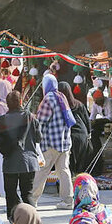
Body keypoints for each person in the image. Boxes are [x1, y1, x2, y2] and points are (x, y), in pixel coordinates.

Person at [0, 91, 43, 223]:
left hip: (10, 161)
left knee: (11, 193)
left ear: (7, 104)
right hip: (29, 161)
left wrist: (5, 150)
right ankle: (32, 220)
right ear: (20, 102)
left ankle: (13, 220)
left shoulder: (1, 121)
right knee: (27, 193)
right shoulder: (30, 117)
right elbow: (38, 138)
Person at [28, 73, 76, 209]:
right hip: (65, 142)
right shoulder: (62, 96)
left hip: (50, 143)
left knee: (41, 172)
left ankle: (31, 200)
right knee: (64, 171)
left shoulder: (48, 98)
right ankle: (68, 201)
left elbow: (41, 122)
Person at [63, 82, 93, 175]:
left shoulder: (59, 105)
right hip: (82, 135)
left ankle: (72, 182)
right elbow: (86, 120)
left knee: (70, 164)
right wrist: (89, 133)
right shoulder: (78, 104)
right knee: (80, 163)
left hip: (69, 136)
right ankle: (80, 181)